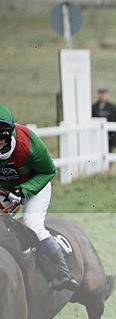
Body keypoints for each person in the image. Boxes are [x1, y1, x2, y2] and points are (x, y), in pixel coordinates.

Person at [0, 105, 79, 290]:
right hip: (5, 190)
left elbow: (49, 171)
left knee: (31, 223)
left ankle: (63, 272)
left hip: (36, 187)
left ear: (9, 133)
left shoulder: (28, 143)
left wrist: (23, 190)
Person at [91, 87, 116, 152]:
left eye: (104, 94)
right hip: (96, 138)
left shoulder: (113, 108)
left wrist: (113, 137)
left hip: (110, 138)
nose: (102, 96)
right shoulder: (93, 108)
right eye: (101, 94)